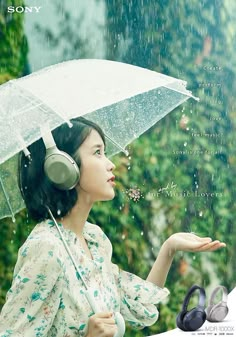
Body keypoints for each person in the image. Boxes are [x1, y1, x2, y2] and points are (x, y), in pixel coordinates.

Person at [0, 117, 226, 337]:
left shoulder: (93, 239)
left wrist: (169, 248)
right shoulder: (46, 248)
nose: (110, 164)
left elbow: (138, 307)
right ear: (62, 168)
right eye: (97, 152)